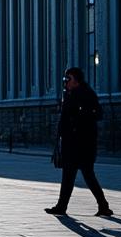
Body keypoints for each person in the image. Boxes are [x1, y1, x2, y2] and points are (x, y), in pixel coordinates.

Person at [45, 67, 113, 217]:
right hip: (70, 143)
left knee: (87, 175)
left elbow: (97, 114)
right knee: (69, 176)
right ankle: (62, 206)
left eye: (68, 79)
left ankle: (103, 206)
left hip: (83, 144)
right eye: (64, 80)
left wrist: (79, 117)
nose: (65, 82)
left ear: (76, 80)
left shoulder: (87, 94)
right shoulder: (68, 94)